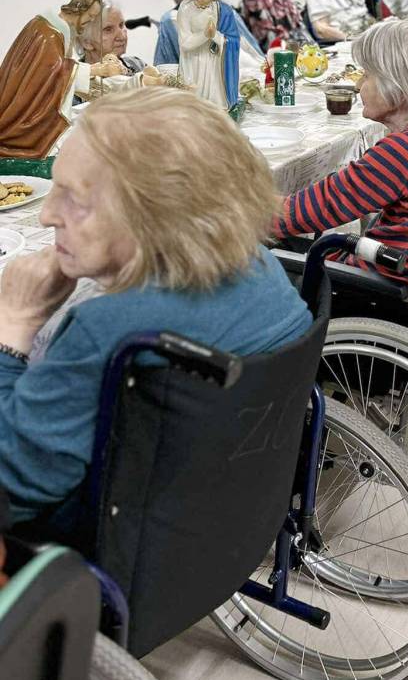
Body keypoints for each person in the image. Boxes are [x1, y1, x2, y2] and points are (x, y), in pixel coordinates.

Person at [0, 88, 312, 525]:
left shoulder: (106, 327)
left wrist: (15, 324)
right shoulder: (263, 268)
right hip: (217, 524)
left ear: (155, 212)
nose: (47, 215)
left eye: (73, 198)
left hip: (87, 549)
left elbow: (12, 486)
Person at [274, 17, 408, 289]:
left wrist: (235, 209)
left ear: (399, 87)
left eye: (367, 75)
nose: (357, 85)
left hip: (374, 288)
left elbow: (308, 211)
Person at [0, 0, 125, 159]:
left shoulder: (49, 28)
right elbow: (52, 71)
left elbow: (57, 67)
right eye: (90, 16)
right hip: (25, 122)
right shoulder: (49, 34)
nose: (90, 21)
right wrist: (99, 70)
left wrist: (94, 69)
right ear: (79, 10)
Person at [177, 0, 241, 109]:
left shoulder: (220, 9)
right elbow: (185, 43)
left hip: (214, 61)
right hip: (194, 60)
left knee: (215, 102)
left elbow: (233, 38)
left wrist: (216, 36)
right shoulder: (186, 10)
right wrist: (205, 35)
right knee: (195, 100)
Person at [76, 1, 165, 98]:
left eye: (122, 25)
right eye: (108, 29)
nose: (122, 36)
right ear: (86, 42)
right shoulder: (73, 83)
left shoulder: (137, 65)